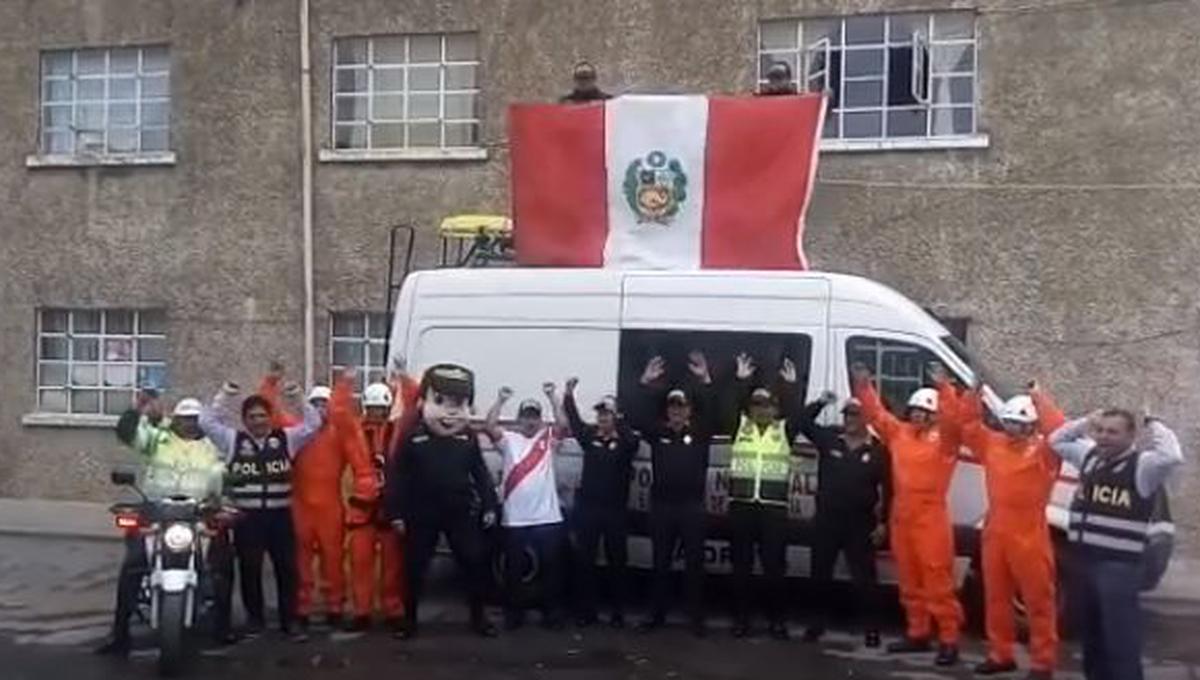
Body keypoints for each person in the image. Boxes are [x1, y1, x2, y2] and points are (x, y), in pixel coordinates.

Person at [940, 383, 1065, 680]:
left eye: (1020, 424)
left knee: (1038, 602)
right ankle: (1001, 654)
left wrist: (1039, 397)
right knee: (996, 597)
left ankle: (1042, 663)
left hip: (1030, 533)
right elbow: (968, 425)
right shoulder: (993, 443)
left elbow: (1060, 429)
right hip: (996, 530)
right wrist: (972, 395)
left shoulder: (1045, 451)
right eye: (1009, 422)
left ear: (1032, 425)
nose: (1012, 429)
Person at [1050, 409, 1183, 680]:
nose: (1104, 437)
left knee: (1120, 641)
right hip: (1083, 561)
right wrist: (1088, 421)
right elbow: (1056, 440)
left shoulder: (1143, 467)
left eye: (1113, 432)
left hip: (1118, 567)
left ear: (1131, 436)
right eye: (1101, 431)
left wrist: (1154, 422)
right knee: (1092, 639)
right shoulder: (1089, 456)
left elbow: (1172, 455)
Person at [96, 390, 232, 656]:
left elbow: (225, 476)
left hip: (198, 514)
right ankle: (119, 633)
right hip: (157, 511)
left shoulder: (214, 446)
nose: (190, 423)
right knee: (133, 565)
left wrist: (226, 501)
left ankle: (222, 628)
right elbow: (128, 434)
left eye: (195, 419)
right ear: (176, 419)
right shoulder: (158, 439)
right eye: (184, 418)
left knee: (222, 567)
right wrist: (136, 411)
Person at [852, 363, 963, 666]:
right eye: (913, 410)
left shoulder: (945, 440)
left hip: (931, 517)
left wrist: (945, 389)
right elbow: (877, 416)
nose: (916, 415)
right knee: (909, 580)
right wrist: (864, 386)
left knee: (937, 580)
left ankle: (949, 639)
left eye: (923, 411)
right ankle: (918, 633)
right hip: (903, 515)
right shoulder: (900, 434)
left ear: (934, 414)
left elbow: (955, 422)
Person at [384, 364, 500, 639]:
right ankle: (408, 621)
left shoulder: (468, 438)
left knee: (473, 562)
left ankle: (479, 618)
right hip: (422, 512)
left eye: (458, 404)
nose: (449, 411)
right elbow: (397, 476)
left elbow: (480, 473)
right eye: (441, 402)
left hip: (459, 511)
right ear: (424, 401)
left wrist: (489, 505)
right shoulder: (413, 436)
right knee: (415, 567)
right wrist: (396, 513)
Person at [260, 367, 376, 639]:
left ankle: (335, 607)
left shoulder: (341, 435)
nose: (321, 409)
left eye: (324, 403)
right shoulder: (294, 432)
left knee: (333, 561)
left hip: (330, 508)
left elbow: (361, 461)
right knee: (300, 563)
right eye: (316, 404)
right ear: (307, 407)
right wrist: (271, 381)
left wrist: (345, 384)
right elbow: (270, 412)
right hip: (300, 507)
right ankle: (301, 610)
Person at [200, 379, 322, 637]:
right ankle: (255, 619)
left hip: (280, 516)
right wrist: (225, 395)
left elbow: (313, 424)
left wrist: (298, 398)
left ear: (270, 417)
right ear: (245, 420)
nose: (258, 421)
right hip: (248, 518)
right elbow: (207, 423)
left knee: (287, 569)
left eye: (262, 416)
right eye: (252, 417)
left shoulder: (286, 439)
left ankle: (289, 621)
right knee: (250, 569)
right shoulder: (233, 441)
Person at [630, 351, 714, 638]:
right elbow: (635, 416)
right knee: (660, 565)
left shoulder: (701, 432)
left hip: (691, 507)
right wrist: (645, 382)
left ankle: (696, 619)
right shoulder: (657, 432)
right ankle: (656, 615)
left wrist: (704, 379)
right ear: (667, 410)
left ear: (690, 409)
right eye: (673, 407)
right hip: (663, 507)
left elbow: (718, 409)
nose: (677, 411)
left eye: (682, 407)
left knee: (694, 566)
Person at [724, 354, 807, 640]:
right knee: (741, 568)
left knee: (774, 569)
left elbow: (801, 415)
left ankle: (777, 621)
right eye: (757, 404)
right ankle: (741, 620)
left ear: (775, 408)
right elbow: (725, 405)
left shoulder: (783, 429)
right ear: (750, 408)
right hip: (742, 506)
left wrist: (793, 387)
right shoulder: (740, 426)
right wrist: (741, 381)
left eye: (768, 404)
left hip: (773, 510)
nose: (762, 409)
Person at [798, 392, 890, 647]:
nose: (849, 419)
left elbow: (888, 489)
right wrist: (820, 403)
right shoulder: (829, 439)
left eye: (854, 414)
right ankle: (815, 625)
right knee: (820, 575)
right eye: (847, 414)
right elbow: (802, 423)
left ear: (865, 418)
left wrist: (884, 523)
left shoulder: (878, 450)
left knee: (865, 579)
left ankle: (872, 629)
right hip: (827, 520)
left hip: (860, 524)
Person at [484, 383, 569, 630]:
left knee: (552, 571)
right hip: (516, 519)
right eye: (526, 417)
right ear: (519, 419)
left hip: (547, 517)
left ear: (541, 420)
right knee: (514, 571)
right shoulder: (509, 440)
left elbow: (563, 424)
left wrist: (553, 397)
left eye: (534, 417)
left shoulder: (548, 438)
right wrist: (500, 401)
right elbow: (489, 426)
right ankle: (514, 615)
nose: (530, 422)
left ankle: (552, 614)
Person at [562, 379, 640, 629]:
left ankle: (618, 613)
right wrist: (568, 395)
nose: (603, 419)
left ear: (615, 417)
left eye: (607, 415)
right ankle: (587, 612)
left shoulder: (627, 443)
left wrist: (620, 419)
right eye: (600, 415)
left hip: (615, 512)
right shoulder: (588, 437)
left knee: (618, 563)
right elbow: (574, 421)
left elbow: (631, 437)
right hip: (589, 510)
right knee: (585, 562)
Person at [346, 382, 406, 634]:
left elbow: (414, 403)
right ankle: (362, 611)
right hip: (362, 509)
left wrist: (402, 378)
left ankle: (393, 610)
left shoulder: (396, 432)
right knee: (361, 565)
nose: (376, 413)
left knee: (392, 568)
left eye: (381, 408)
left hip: (388, 508)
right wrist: (345, 383)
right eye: (372, 408)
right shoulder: (354, 433)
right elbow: (339, 413)